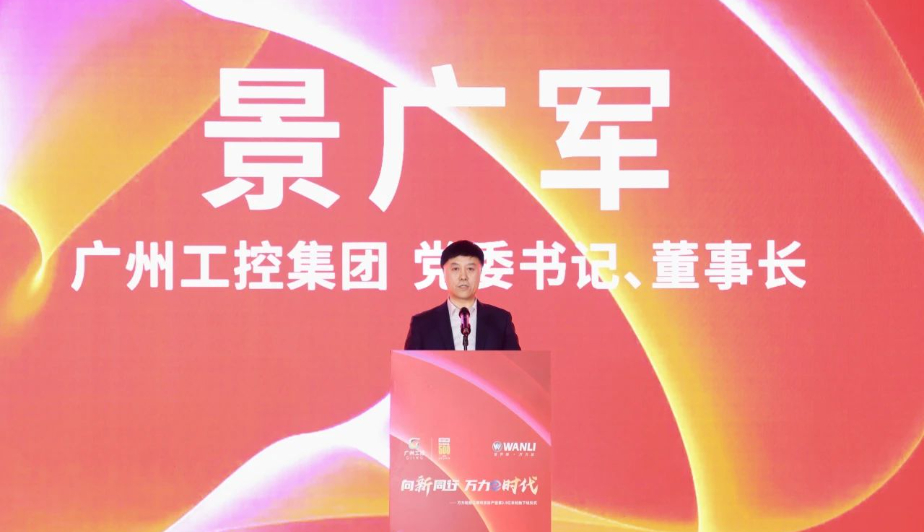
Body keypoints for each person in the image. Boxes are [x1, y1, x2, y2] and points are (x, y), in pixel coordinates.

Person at [404, 240, 521, 350]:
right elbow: (409, 364)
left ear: (480, 272)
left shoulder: (501, 321)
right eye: (455, 269)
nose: (463, 276)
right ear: (443, 273)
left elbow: (515, 363)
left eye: (470, 269)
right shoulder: (422, 324)